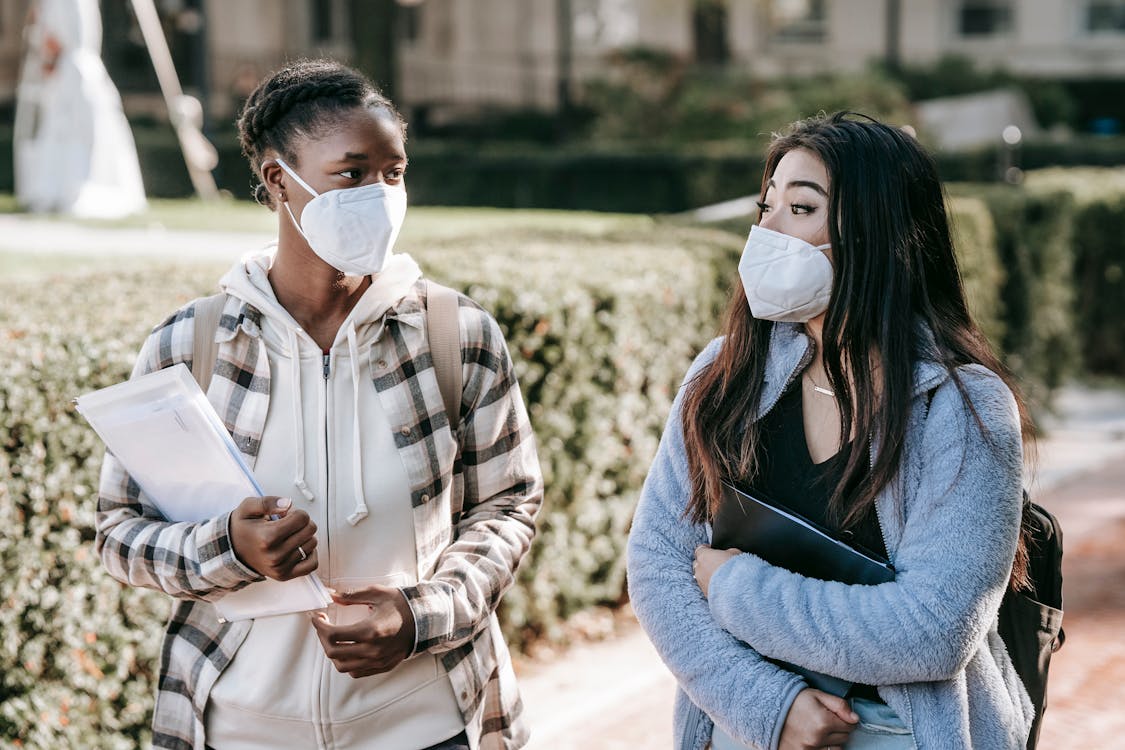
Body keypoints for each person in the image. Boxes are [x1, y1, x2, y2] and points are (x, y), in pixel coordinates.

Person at [95, 59, 542, 750]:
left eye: (393, 173)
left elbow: (509, 505)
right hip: (239, 728)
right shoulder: (192, 342)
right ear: (279, 180)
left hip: (425, 725)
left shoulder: (458, 335)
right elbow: (120, 531)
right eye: (353, 173)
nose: (381, 193)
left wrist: (416, 616)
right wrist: (228, 548)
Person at [626, 112, 1034, 750]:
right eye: (767, 206)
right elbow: (658, 566)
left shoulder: (961, 408)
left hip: (903, 731)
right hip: (744, 724)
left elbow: (932, 631)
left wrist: (735, 587)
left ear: (875, 233)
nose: (767, 230)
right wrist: (772, 707)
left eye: (801, 207)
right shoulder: (724, 373)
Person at [14, 0, 146, 218]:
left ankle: (70, 186)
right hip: (67, 73)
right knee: (66, 129)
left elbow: (62, 35)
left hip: (69, 73)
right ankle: (60, 186)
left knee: (72, 129)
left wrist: (50, 56)